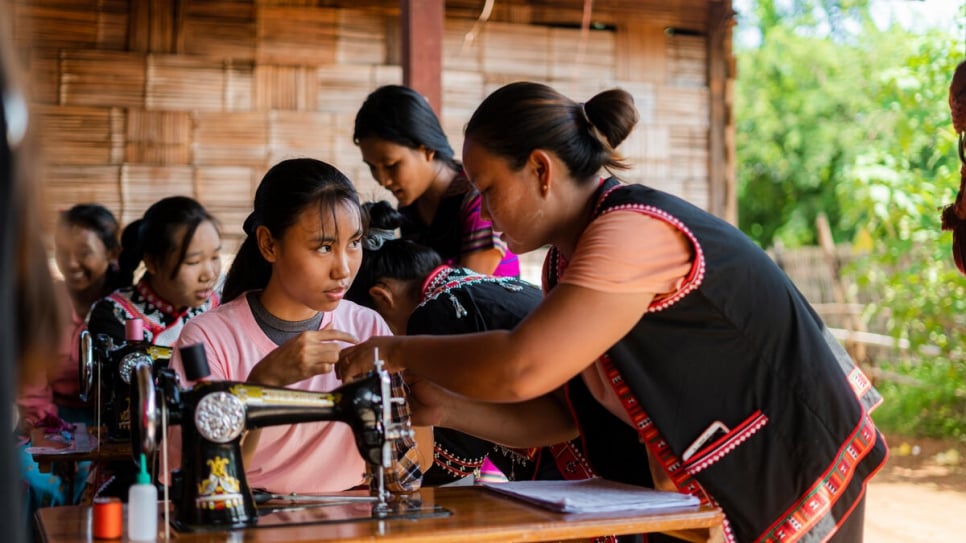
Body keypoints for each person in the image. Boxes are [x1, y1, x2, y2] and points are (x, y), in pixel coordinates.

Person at [339, 82, 889, 543]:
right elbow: (565, 417)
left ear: (541, 170)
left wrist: (391, 348)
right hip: (719, 471)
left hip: (787, 459)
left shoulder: (627, 233)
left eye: (489, 188)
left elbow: (521, 367)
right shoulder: (565, 261)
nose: (480, 208)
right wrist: (447, 408)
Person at [165, 158, 423, 496]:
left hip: (353, 518)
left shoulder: (366, 326)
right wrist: (261, 384)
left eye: (355, 242)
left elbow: (403, 475)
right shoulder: (206, 339)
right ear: (269, 245)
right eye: (324, 247)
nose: (343, 269)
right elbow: (205, 481)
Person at [346, 201, 584, 486]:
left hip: (576, 457)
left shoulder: (432, 315)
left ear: (382, 297)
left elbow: (460, 458)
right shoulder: (477, 286)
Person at [16, 204, 122, 512]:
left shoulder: (126, 307)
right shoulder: (44, 304)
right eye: (62, 252)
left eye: (84, 252)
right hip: (52, 418)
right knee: (30, 478)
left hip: (113, 424)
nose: (71, 263)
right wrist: (47, 429)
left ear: (112, 253)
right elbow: (31, 381)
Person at [353, 84, 519, 277]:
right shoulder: (410, 208)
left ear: (427, 150)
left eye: (391, 165)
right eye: (372, 167)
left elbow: (467, 287)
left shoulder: (476, 198)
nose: (382, 180)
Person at [87, 196, 222, 346]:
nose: (209, 275)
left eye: (215, 257)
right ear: (152, 262)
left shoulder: (222, 305)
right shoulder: (115, 315)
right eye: (193, 262)